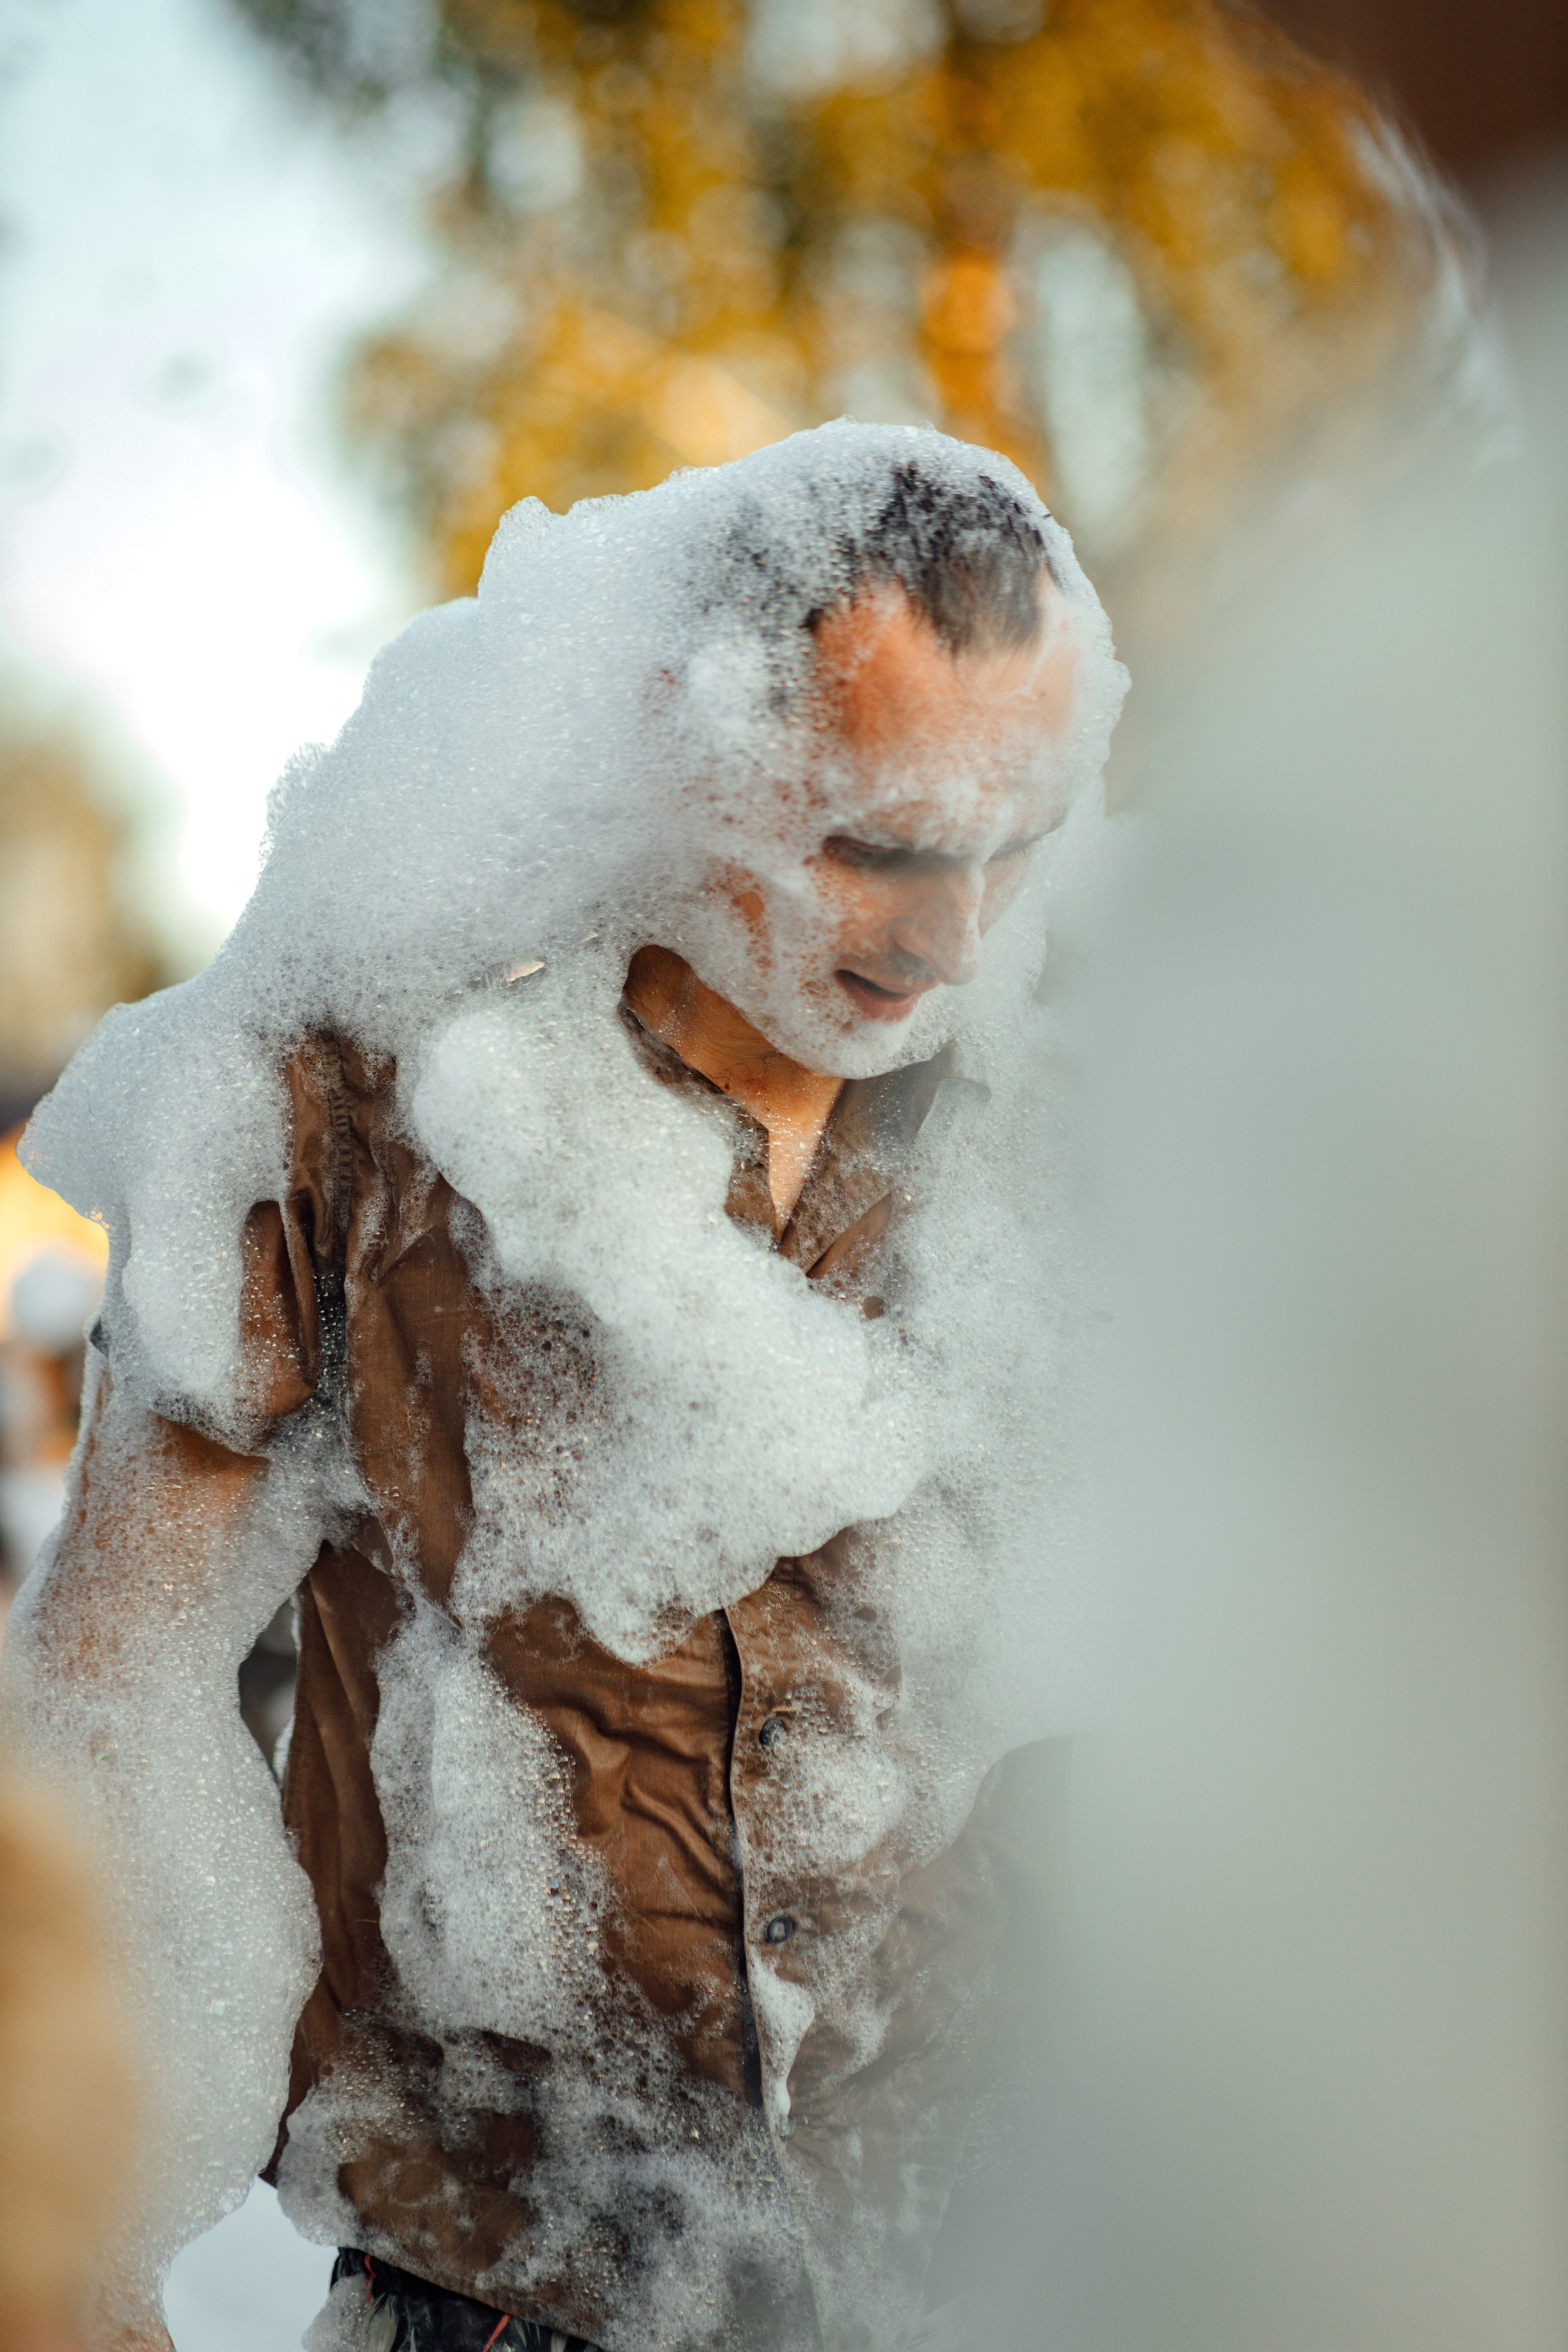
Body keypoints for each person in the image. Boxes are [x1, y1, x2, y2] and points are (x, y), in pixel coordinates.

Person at [2, 424, 1125, 2352]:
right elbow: (110, 1686)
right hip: (498, 2297)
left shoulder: (1095, 1143)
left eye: (1009, 844)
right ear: (692, 750)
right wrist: (71, 2249)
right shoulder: (348, 1108)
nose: (951, 933)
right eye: (875, 842)